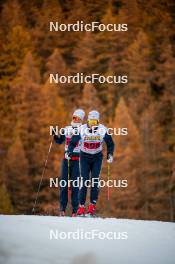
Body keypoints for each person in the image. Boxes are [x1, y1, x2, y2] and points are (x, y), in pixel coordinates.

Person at [67, 110, 114, 216]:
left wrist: (110, 154)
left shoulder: (103, 129)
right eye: (91, 122)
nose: (93, 125)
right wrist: (69, 151)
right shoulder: (82, 129)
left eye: (95, 122)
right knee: (84, 181)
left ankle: (92, 206)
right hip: (84, 157)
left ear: (98, 121)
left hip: (97, 157)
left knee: (95, 180)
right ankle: (81, 206)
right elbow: (73, 142)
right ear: (88, 121)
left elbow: (110, 144)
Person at [53, 109, 85, 217]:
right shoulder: (66, 129)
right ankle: (62, 209)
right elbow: (59, 141)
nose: (75, 120)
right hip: (66, 160)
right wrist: (55, 135)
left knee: (75, 186)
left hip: (77, 161)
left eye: (78, 118)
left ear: (81, 120)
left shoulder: (83, 130)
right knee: (64, 184)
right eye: (74, 118)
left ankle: (75, 211)